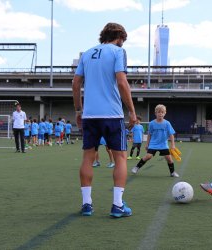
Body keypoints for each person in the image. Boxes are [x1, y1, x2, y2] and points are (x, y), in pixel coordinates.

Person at [72, 22, 136, 218]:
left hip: (90, 115)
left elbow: (75, 84)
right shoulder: (118, 52)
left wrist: (78, 110)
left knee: (88, 158)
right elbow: (121, 81)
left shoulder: (87, 53)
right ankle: (117, 205)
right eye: (122, 41)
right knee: (120, 158)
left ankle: (86, 205)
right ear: (119, 38)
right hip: (112, 115)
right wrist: (132, 111)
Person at [131, 104, 179, 177]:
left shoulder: (167, 123)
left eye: (162, 112)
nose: (160, 114)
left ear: (165, 113)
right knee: (148, 156)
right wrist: (147, 144)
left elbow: (171, 134)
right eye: (159, 112)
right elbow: (149, 134)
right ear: (155, 113)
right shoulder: (152, 123)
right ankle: (136, 167)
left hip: (163, 144)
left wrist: (173, 145)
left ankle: (172, 172)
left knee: (169, 159)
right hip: (153, 144)